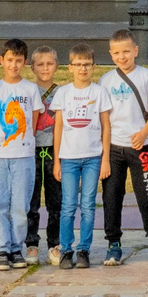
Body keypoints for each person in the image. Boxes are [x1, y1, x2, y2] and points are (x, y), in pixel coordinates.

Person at [100, 28, 148, 264]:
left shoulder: (147, 76)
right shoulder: (106, 80)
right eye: (117, 53)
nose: (123, 57)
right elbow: (104, 117)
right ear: (111, 54)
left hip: (141, 147)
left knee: (147, 195)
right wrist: (105, 149)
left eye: (127, 52)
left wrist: (143, 133)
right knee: (111, 197)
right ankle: (113, 243)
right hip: (114, 148)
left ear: (136, 51)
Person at [50, 44, 108, 269]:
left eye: (86, 65)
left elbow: (106, 125)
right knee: (68, 205)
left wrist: (104, 159)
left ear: (93, 66)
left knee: (88, 205)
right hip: (69, 158)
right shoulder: (63, 93)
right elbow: (58, 128)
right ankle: (66, 250)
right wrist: (57, 160)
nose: (82, 69)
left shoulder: (99, 92)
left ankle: (84, 249)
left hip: (93, 157)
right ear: (70, 67)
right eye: (78, 65)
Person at [0, 40, 43, 270]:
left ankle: (16, 247)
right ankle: (1, 248)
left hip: (23, 154)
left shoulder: (30, 89)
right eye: (10, 60)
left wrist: (25, 139)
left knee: (20, 204)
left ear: (25, 62)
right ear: (2, 60)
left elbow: (35, 118)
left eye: (18, 60)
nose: (14, 64)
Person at [27, 46, 63, 264]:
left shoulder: (63, 92)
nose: (45, 68)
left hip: (54, 151)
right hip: (31, 150)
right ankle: (31, 243)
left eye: (49, 63)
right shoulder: (29, 91)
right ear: (32, 68)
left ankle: (54, 243)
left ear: (57, 66)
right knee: (31, 201)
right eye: (40, 64)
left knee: (55, 200)